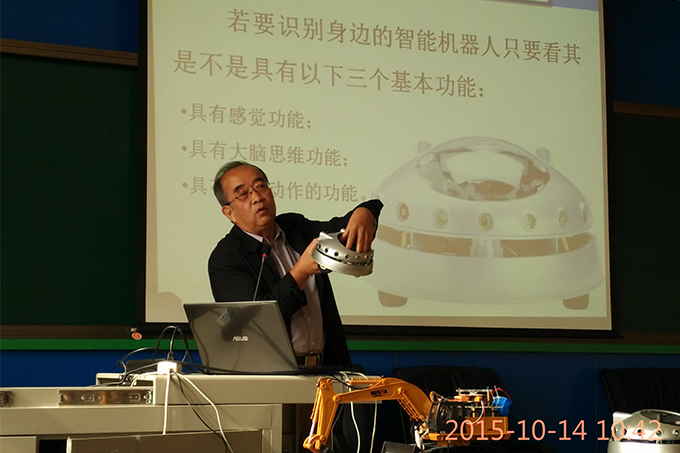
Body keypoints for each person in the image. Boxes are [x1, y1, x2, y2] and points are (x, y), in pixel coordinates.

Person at [208, 161, 382, 368]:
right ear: (229, 213)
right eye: (243, 194)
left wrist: (365, 211)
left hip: (325, 369)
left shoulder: (295, 228)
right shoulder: (225, 258)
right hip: (270, 374)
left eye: (261, 186)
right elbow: (255, 324)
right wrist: (300, 272)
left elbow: (343, 232)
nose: (257, 197)